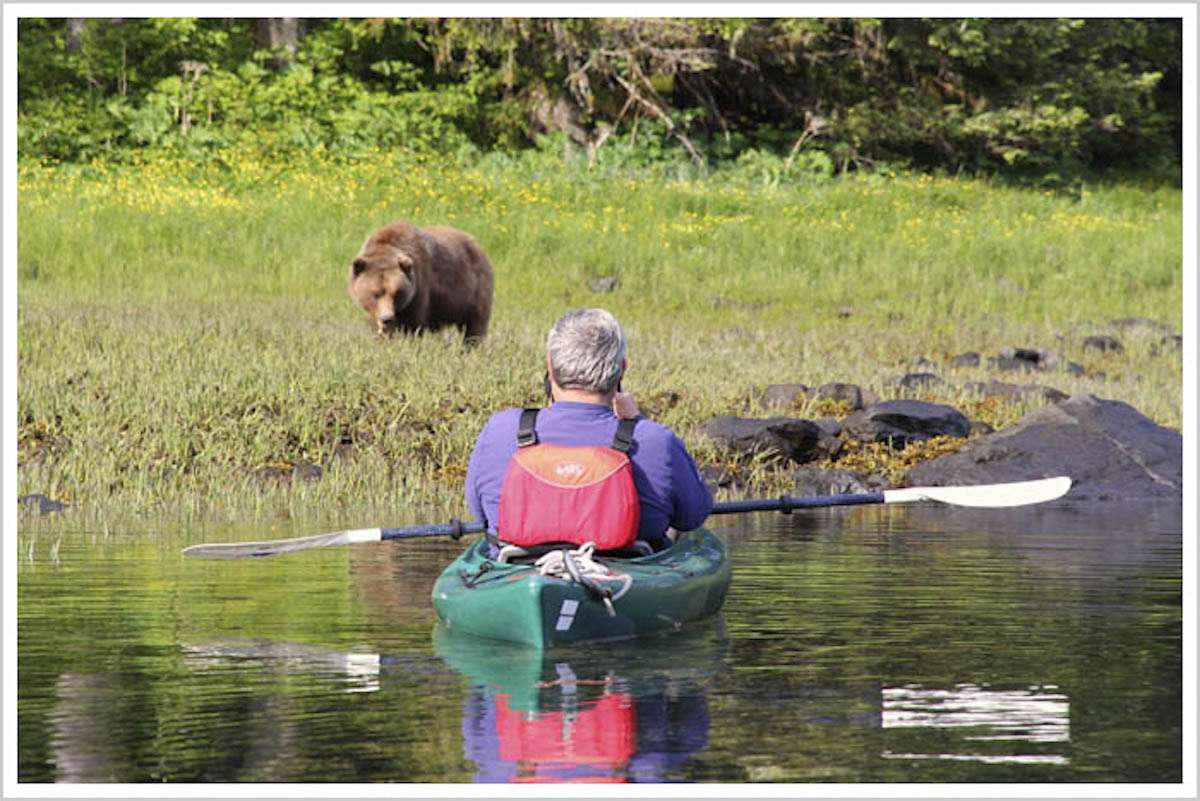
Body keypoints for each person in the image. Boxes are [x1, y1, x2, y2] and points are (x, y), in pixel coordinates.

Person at [464, 308, 712, 552]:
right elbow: (693, 516)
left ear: (550, 366)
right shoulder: (656, 441)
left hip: (516, 574)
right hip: (624, 578)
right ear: (621, 368)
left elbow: (480, 512)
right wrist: (637, 421)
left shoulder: (501, 429)